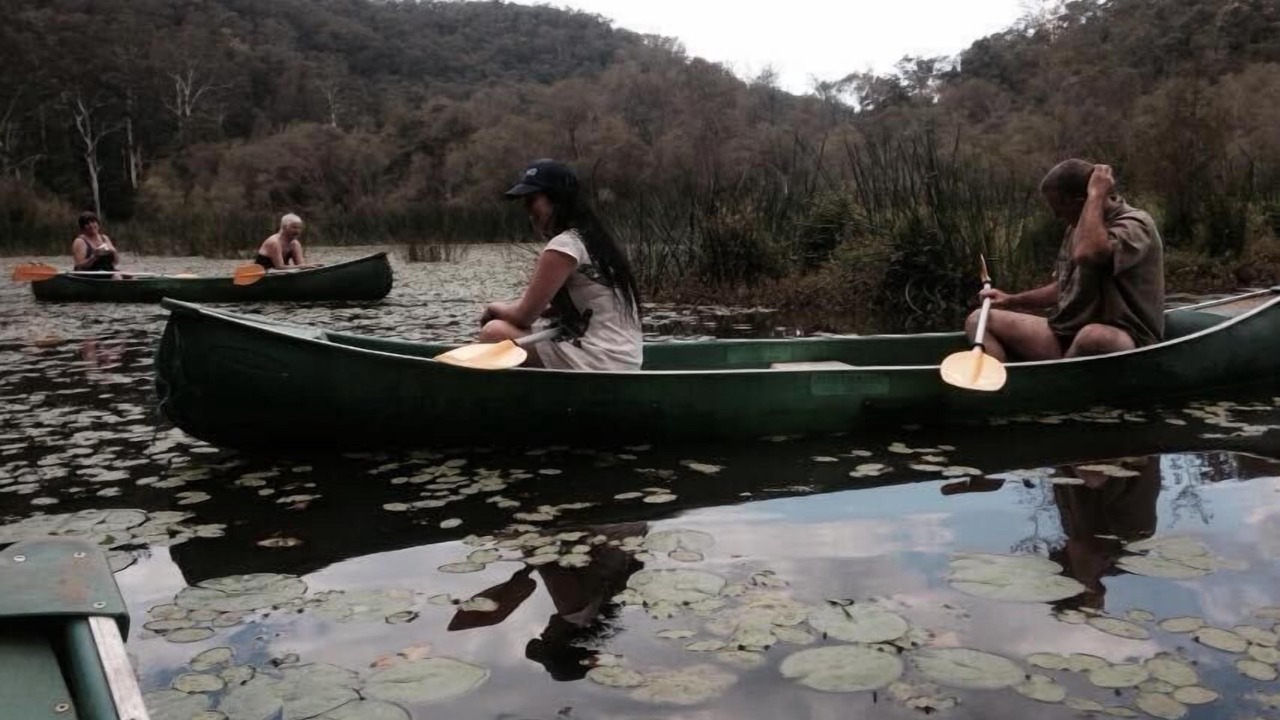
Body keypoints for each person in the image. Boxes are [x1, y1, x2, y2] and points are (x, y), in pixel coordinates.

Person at [965, 160, 1165, 360]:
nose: (1056, 215)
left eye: (1059, 207)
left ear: (1081, 201)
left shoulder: (1136, 224)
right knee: (978, 320)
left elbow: (1088, 255)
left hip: (1125, 340)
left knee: (1093, 337)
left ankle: (1055, 380)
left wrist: (1095, 194)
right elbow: (1063, 288)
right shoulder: (1076, 227)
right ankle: (1005, 387)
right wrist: (1010, 299)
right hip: (1067, 334)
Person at [479, 159, 643, 370]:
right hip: (626, 359)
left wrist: (494, 308)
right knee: (532, 327)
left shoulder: (564, 246)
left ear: (557, 200)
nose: (528, 211)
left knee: (494, 332)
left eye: (532, 201)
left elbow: (523, 317)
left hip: (599, 359)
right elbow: (583, 304)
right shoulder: (596, 241)